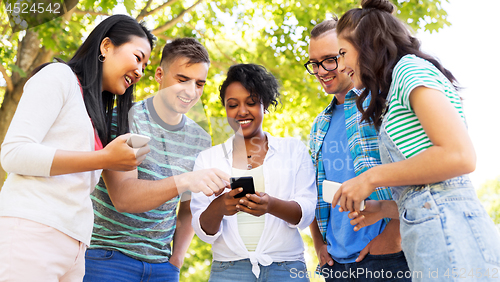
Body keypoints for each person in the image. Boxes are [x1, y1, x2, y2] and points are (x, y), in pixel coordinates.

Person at [333, 0, 500, 278]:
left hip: (453, 237)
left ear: (366, 44)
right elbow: (429, 191)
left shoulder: (410, 69)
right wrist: (382, 208)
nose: (340, 65)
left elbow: (459, 155)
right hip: (435, 240)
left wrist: (370, 178)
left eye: (342, 53)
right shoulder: (395, 88)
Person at [0, 14, 154, 282]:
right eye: (138, 57)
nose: (140, 71)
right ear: (106, 47)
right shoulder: (59, 76)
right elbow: (13, 154)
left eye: (145, 65)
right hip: (32, 231)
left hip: (75, 246)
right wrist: (103, 158)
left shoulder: (96, 115)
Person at [83, 38, 230, 282]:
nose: (191, 91)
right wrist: (186, 180)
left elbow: (187, 208)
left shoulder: (199, 138)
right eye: (182, 79)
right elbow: (123, 197)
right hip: (107, 259)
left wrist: (177, 259)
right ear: (159, 75)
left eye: (199, 84)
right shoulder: (126, 118)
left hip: (162, 267)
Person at [190, 63, 317, 281]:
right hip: (228, 271)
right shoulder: (208, 159)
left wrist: (271, 205)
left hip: (285, 268)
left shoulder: (293, 150)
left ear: (264, 104)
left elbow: (306, 212)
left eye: (251, 102)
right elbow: (203, 230)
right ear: (225, 108)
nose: (241, 111)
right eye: (232, 105)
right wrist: (220, 206)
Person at [305, 19, 410, 281]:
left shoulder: (382, 104)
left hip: (385, 258)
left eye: (330, 59)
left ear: (348, 54)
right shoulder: (320, 124)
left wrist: (390, 239)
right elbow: (311, 189)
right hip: (335, 265)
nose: (321, 70)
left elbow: (414, 175)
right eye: (314, 63)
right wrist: (319, 244)